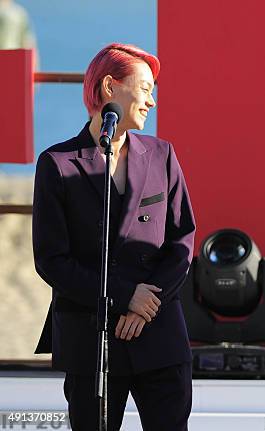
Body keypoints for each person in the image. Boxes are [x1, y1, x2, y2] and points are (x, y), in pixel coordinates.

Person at [32, 43, 196, 430]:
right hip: (93, 340)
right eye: (145, 88)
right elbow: (52, 260)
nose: (151, 101)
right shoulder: (57, 164)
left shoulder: (162, 155)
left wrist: (145, 304)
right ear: (110, 87)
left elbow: (182, 241)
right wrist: (124, 297)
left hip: (159, 336)